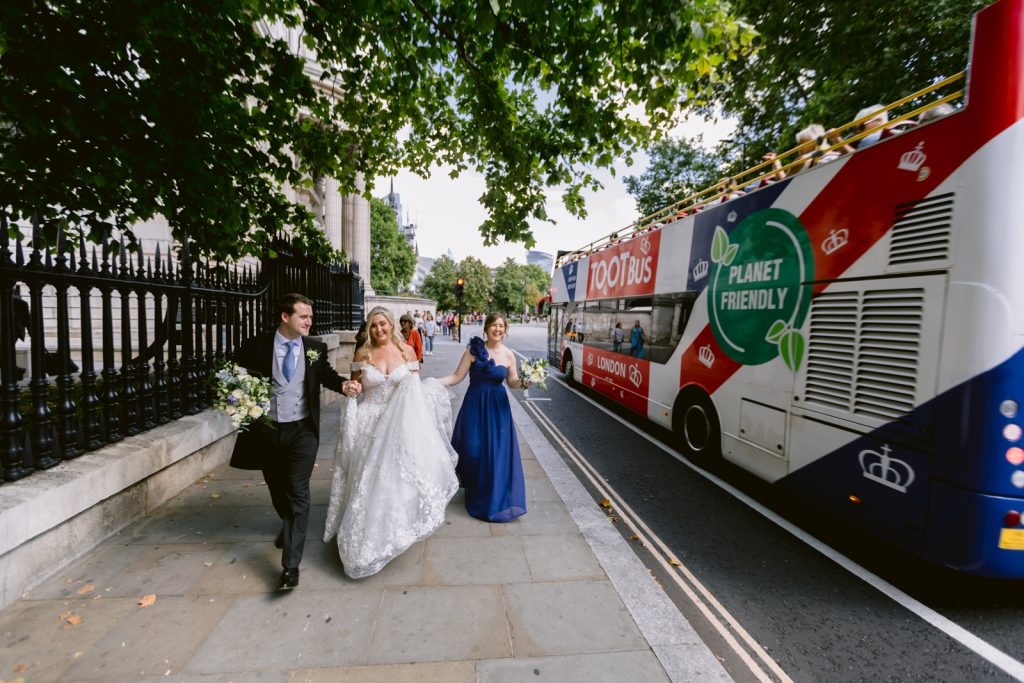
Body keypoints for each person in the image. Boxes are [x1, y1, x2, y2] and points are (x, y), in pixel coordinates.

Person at [229, 293, 361, 591]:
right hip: (268, 431)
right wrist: (240, 405)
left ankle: (290, 567)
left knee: (298, 491)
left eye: (310, 317)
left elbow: (325, 375)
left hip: (303, 431)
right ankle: (288, 524)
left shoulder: (313, 348)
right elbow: (236, 378)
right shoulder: (256, 346)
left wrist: (343, 384)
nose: (309, 321)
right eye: (303, 316)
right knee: (278, 487)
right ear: (285, 317)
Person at [323, 307, 458, 578]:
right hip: (369, 423)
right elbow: (355, 386)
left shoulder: (407, 351)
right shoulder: (363, 353)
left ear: (391, 324)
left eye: (382, 324)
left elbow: (415, 392)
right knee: (366, 480)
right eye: (373, 326)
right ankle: (365, 535)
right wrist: (352, 390)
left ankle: (392, 528)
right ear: (369, 329)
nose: (379, 330)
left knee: (395, 479)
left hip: (400, 424)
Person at [439, 313, 527, 522]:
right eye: (493, 325)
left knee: (495, 452)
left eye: (501, 326)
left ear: (505, 330)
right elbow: (457, 376)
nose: (497, 329)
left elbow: (513, 382)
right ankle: (475, 486)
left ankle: (492, 496)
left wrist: (525, 383)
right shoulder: (473, 350)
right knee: (472, 448)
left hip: (498, 409)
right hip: (474, 405)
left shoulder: (508, 355)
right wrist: (433, 381)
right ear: (486, 328)